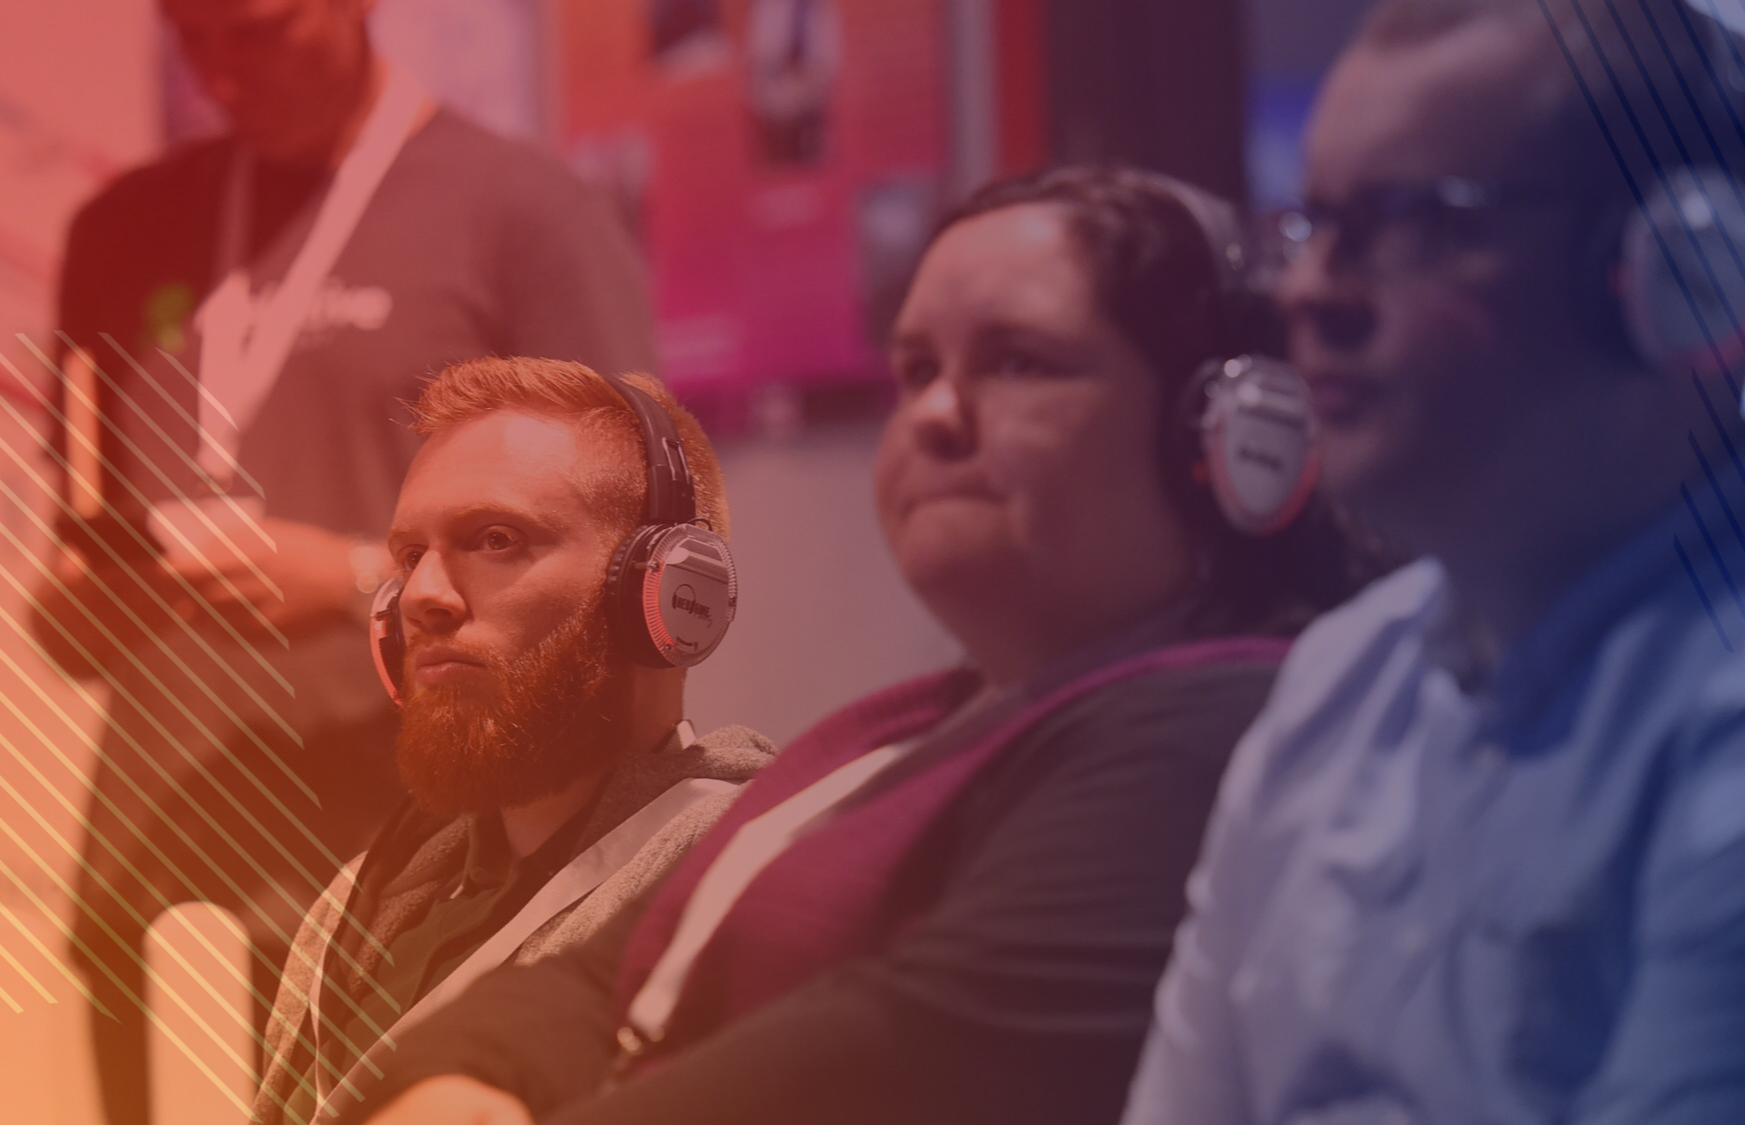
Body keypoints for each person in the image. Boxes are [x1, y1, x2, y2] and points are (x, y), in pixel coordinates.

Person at [341, 166, 1382, 1125]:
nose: (934, 413)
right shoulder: (892, 736)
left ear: (1234, 436)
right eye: (917, 367)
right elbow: (587, 975)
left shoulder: (1218, 728)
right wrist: (462, 1076)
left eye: (1018, 362)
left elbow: (906, 1056)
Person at [1122, 2, 1745, 1124]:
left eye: (1410, 223)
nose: (1305, 293)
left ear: (1691, 276)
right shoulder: (1335, 683)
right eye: (1314, 222)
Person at [32, 1, 657, 1121]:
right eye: (194, 36)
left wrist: (365, 577)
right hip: (157, 853)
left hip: (405, 854)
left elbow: (637, 537)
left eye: (262, 28)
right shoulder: (123, 231)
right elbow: (76, 562)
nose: (224, 73)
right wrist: (75, 616)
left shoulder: (521, 212)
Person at [249, 358, 773, 1124]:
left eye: (496, 539)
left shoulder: (748, 886)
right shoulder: (363, 900)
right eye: (409, 556)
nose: (423, 595)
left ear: (665, 592)